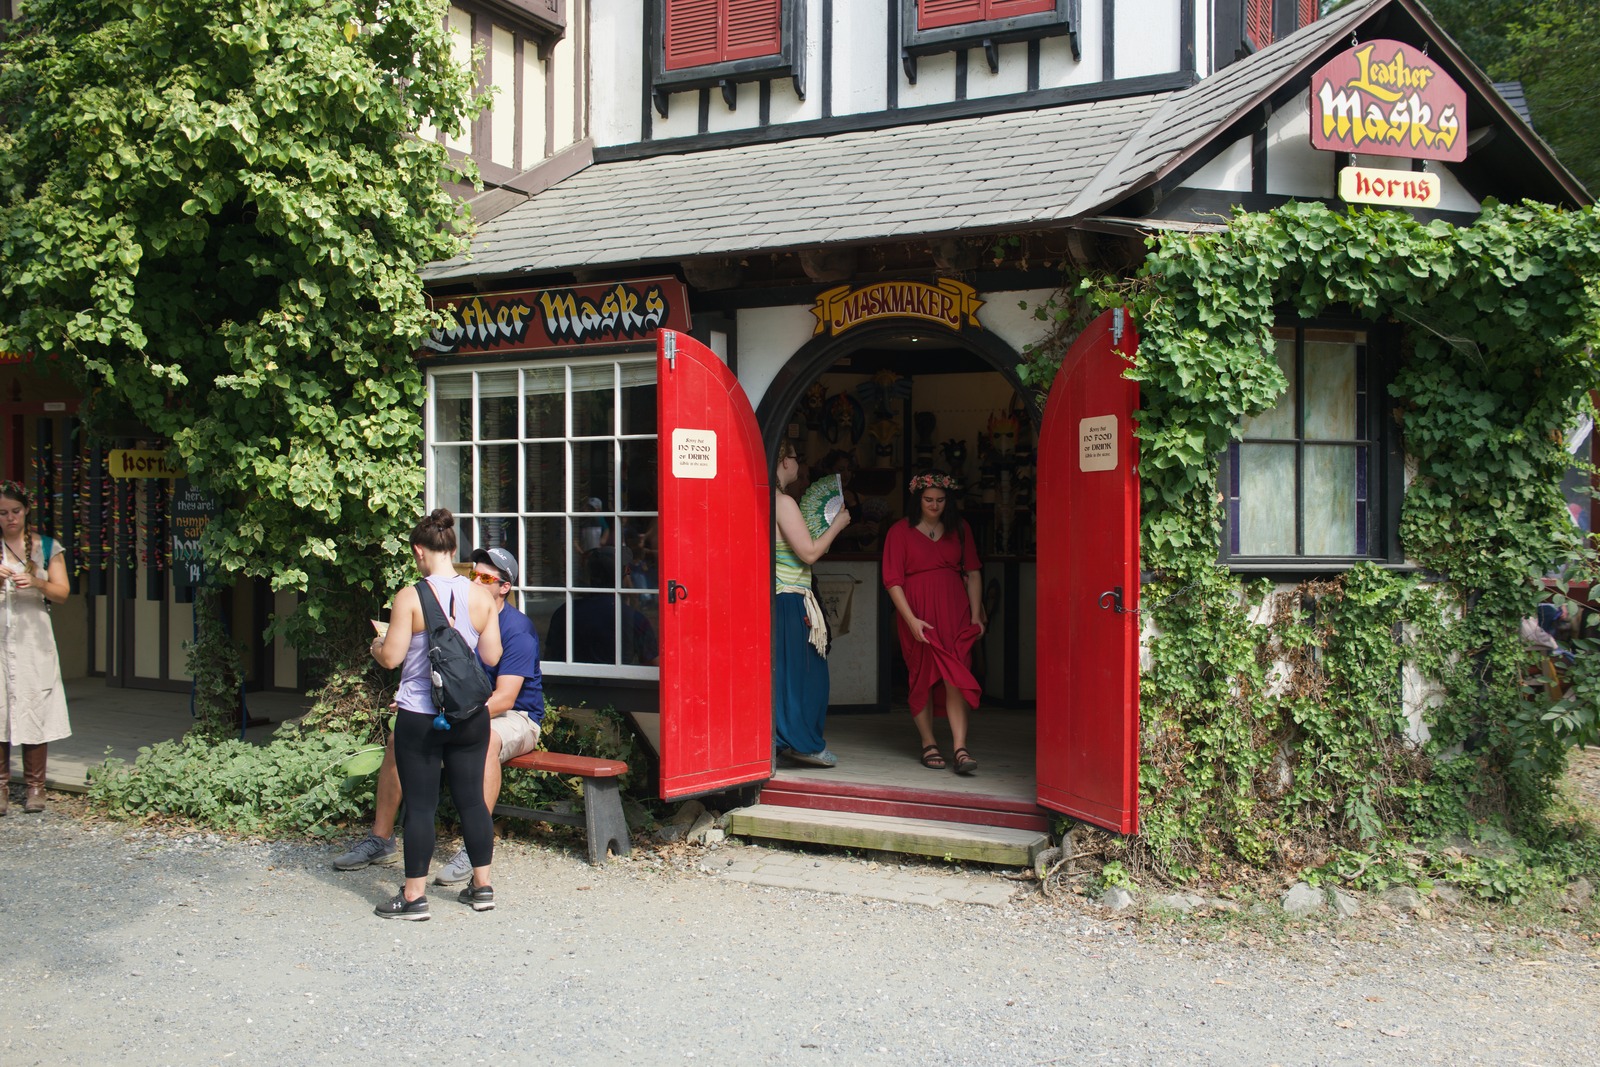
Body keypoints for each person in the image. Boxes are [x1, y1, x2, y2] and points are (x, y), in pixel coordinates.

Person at [334, 545, 544, 886]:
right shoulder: (460, 611)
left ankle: (474, 850)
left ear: (504, 587)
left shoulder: (517, 629)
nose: (475, 580)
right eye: (472, 573)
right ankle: (381, 838)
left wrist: (457, 713)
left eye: (485, 577)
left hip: (516, 716)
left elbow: (505, 698)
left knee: (488, 740)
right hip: (462, 710)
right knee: (398, 738)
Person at [366, 509, 502, 920]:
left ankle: (414, 897)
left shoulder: (410, 597)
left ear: (419, 551)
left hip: (421, 715)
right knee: (472, 801)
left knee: (421, 805)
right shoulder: (481, 596)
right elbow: (492, 656)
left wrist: (376, 646)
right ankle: (482, 887)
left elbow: (392, 658)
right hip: (470, 715)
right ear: (453, 550)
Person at [882, 471, 985, 775]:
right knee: (922, 677)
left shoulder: (960, 528)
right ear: (918, 499)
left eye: (940, 500)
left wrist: (976, 616)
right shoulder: (899, 532)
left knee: (956, 675)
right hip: (918, 615)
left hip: (955, 612)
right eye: (928, 499)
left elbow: (973, 573)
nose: (934, 505)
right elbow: (892, 581)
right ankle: (928, 742)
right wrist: (910, 620)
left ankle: (960, 748)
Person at [773, 440, 851, 767]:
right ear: (784, 461)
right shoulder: (783, 502)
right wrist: (837, 525)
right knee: (807, 676)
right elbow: (809, 553)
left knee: (788, 675)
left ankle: (787, 740)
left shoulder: (764, 499)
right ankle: (803, 743)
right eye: (796, 457)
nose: (799, 463)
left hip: (780, 598)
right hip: (791, 599)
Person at [0, 481, 72, 816]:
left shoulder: (46, 546)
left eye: (15, 511)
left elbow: (62, 592)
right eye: (3, 513)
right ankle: (1, 787)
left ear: (26, 510)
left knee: (34, 702)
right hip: (2, 635)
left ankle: (35, 788)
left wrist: (37, 581)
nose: (10, 518)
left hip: (33, 638)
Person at [546, 546, 660, 666]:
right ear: (624, 574)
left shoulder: (564, 613)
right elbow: (654, 667)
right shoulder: (634, 619)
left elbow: (549, 661)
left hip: (571, 678)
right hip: (618, 678)